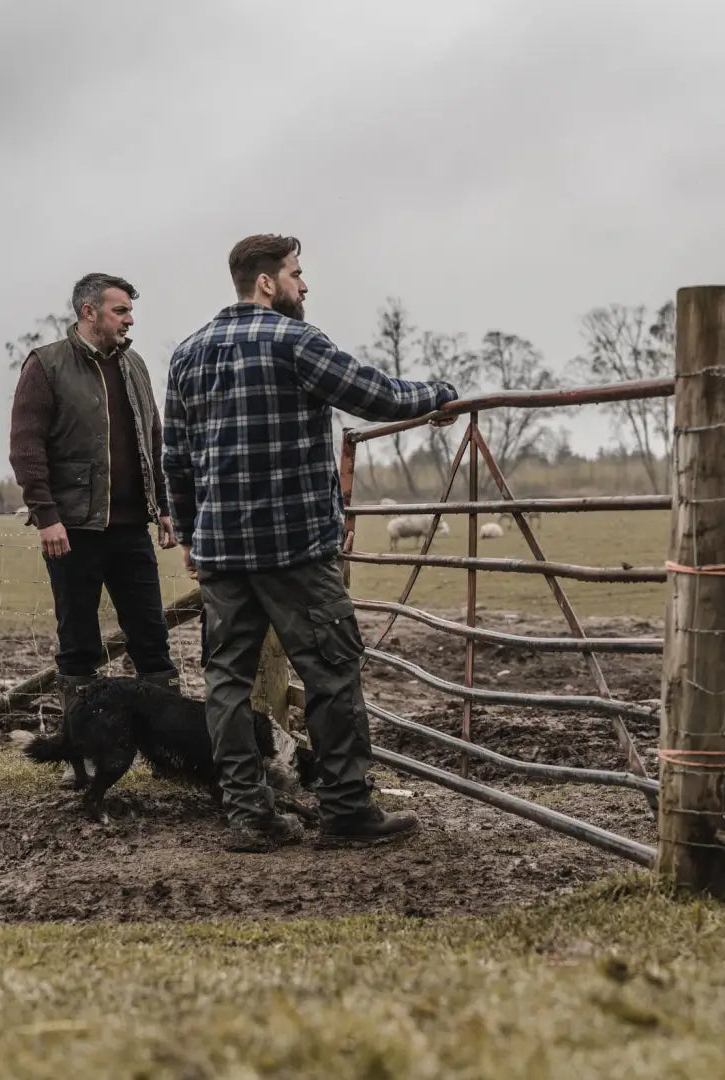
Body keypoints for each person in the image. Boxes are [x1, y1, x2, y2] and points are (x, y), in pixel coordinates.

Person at [163, 235, 458, 852]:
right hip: (294, 547)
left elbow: (177, 460)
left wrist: (191, 534)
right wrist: (438, 396)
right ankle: (347, 809)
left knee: (226, 679)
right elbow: (374, 395)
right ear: (266, 283)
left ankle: (249, 815)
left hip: (222, 551)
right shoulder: (296, 342)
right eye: (297, 274)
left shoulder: (188, 355)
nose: (305, 285)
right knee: (331, 671)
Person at [10, 273, 180, 782]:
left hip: (131, 530)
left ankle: (163, 751)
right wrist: (47, 516)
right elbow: (26, 447)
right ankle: (80, 755)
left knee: (152, 639)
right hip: (74, 530)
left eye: (130, 311)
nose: (130, 320)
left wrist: (165, 506)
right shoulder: (46, 365)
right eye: (120, 311)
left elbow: (155, 439)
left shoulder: (134, 366)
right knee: (79, 644)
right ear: (89, 312)